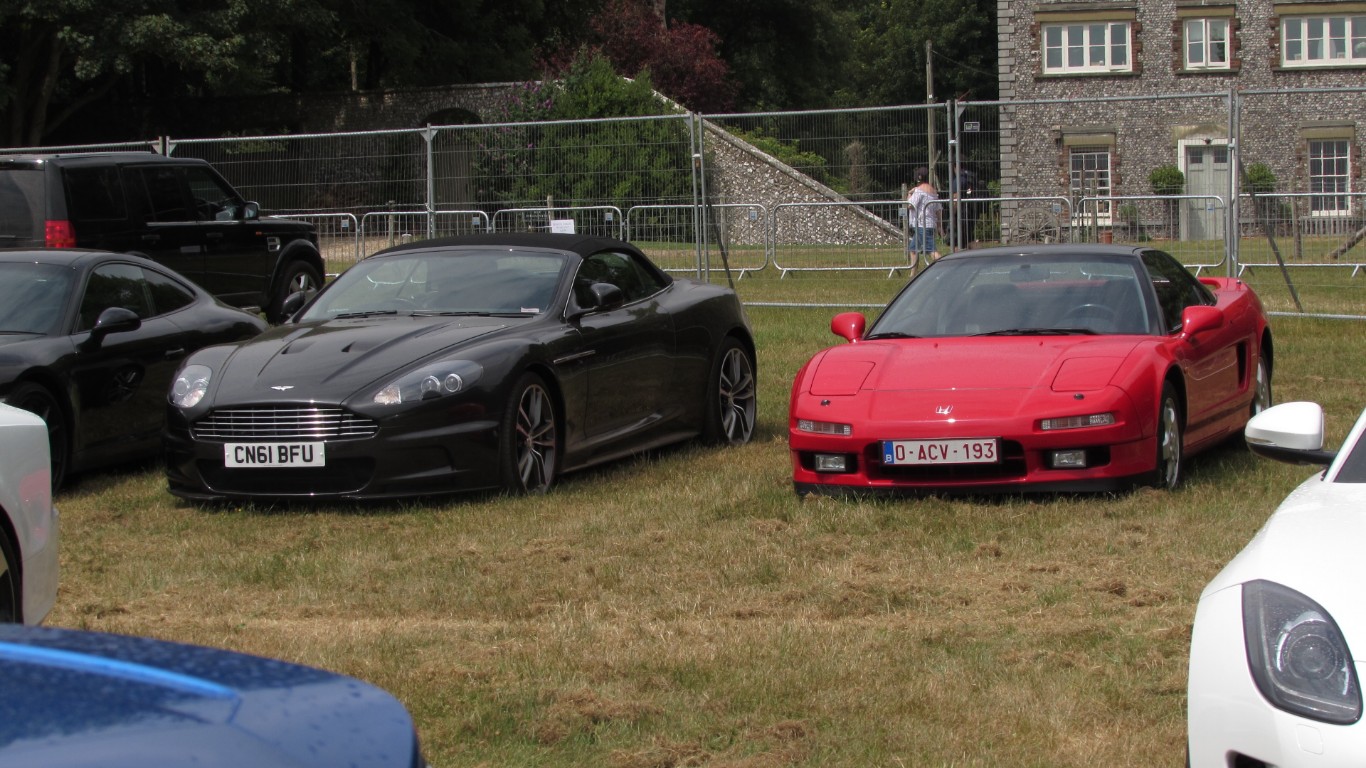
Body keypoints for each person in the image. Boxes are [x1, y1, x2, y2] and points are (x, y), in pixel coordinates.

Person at [907, 166, 941, 261]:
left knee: (932, 251)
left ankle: (945, 268)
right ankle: (913, 274)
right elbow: (938, 210)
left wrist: (909, 193)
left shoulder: (918, 191)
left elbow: (910, 205)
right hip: (929, 224)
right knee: (913, 249)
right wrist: (939, 225)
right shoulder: (933, 191)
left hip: (922, 225)